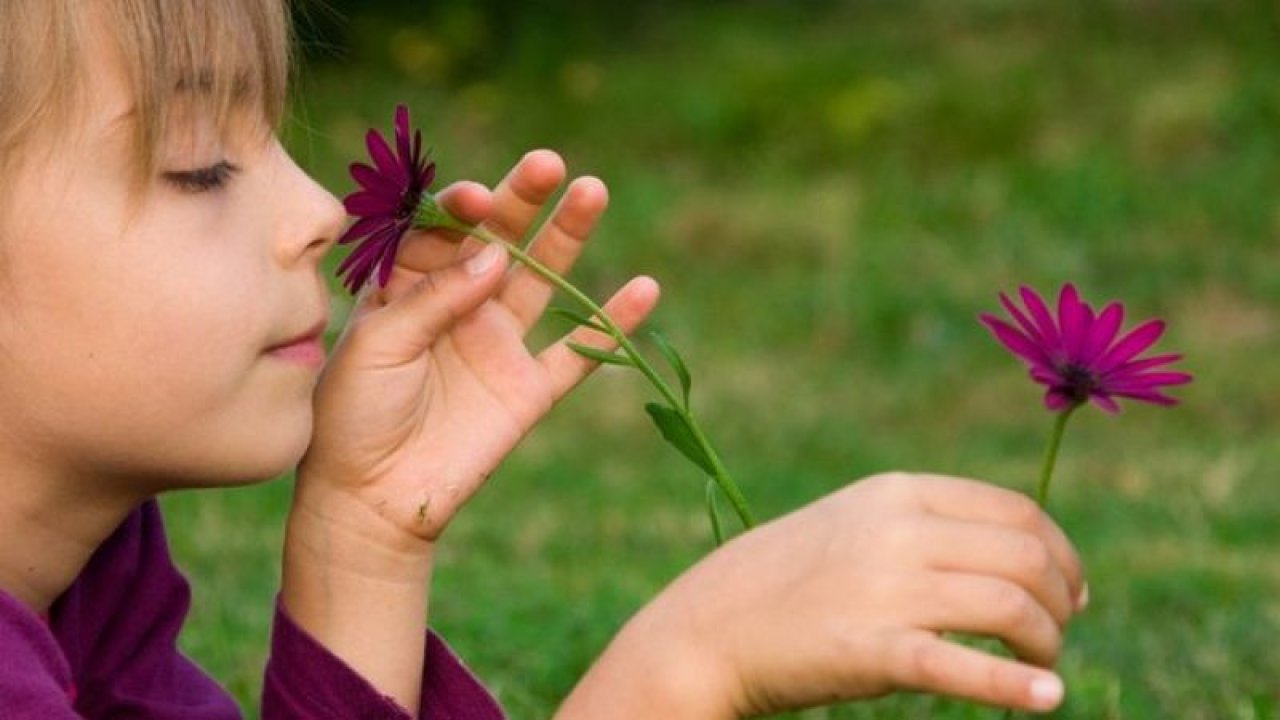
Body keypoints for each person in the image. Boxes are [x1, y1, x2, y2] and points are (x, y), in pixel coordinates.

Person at [0, 0, 1086, 717]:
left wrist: (363, 537)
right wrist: (678, 672)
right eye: (197, 165)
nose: (321, 209)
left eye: (275, 136)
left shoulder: (95, 588)